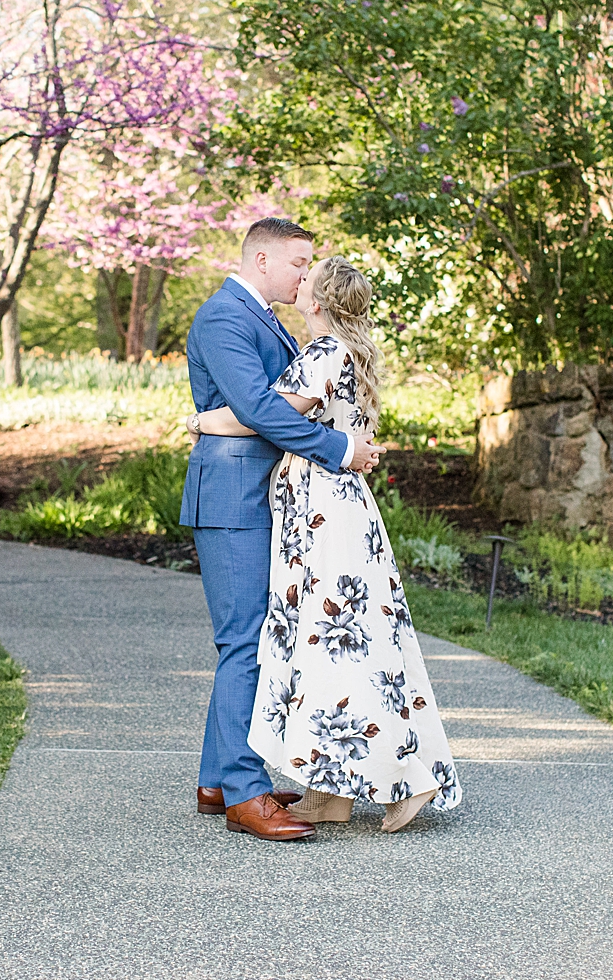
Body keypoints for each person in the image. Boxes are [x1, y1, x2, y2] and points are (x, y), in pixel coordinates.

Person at [191, 256, 462, 833]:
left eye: (307, 278)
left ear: (318, 301)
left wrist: (204, 421)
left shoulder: (320, 353)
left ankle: (404, 781)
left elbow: (262, 416)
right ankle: (331, 791)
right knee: (345, 643)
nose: (300, 280)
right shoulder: (354, 353)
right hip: (342, 506)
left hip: (319, 510)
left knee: (337, 644)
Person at [180, 218, 386, 842]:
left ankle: (218, 778)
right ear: (262, 258)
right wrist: (337, 449)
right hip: (233, 496)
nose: (306, 276)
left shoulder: (262, 316)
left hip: (256, 494)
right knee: (244, 641)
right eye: (299, 263)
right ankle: (246, 793)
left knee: (249, 637)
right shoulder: (225, 318)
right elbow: (262, 409)